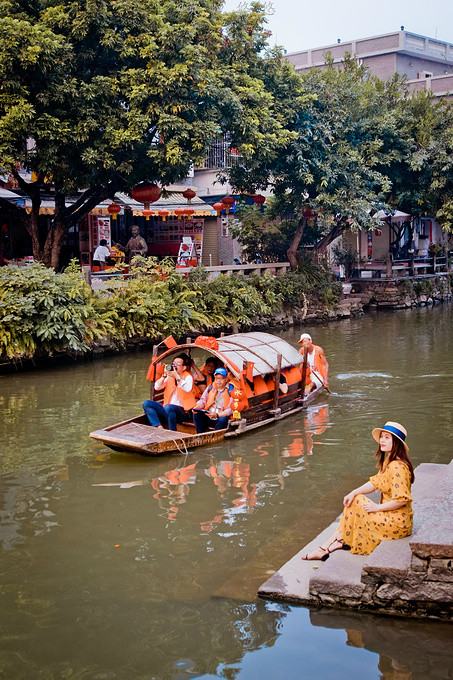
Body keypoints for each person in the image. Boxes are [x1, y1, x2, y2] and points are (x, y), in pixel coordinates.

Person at [302, 421, 414, 560]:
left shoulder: (398, 467)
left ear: (396, 442)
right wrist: (353, 492)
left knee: (358, 503)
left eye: (387, 438)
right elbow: (375, 483)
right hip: (388, 514)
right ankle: (332, 544)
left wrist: (377, 507)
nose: (382, 441)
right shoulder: (388, 461)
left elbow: (401, 500)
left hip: (397, 522)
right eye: (382, 437)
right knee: (355, 499)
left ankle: (327, 547)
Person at [142, 353, 197, 431]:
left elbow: (187, 388)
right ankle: (158, 426)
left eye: (178, 364)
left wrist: (177, 376)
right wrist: (164, 375)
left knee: (169, 407)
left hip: (183, 412)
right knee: (147, 403)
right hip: (167, 409)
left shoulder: (188, 377)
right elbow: (157, 387)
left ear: (184, 367)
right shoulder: (169, 376)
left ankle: (172, 431)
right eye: (173, 363)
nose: (175, 365)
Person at [192, 368, 233, 433]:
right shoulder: (210, 387)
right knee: (196, 414)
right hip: (209, 415)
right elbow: (202, 400)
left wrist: (217, 415)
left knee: (223, 419)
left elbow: (230, 409)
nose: (218, 381)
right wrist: (197, 407)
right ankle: (200, 434)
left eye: (221, 378)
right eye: (216, 378)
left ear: (225, 379)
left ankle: (216, 436)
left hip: (220, 416)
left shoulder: (230, 390)